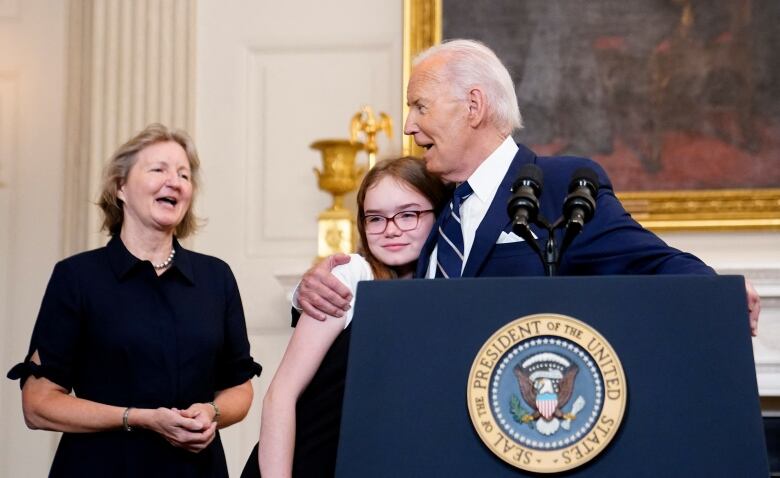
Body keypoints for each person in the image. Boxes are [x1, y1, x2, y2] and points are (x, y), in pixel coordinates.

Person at [295, 38, 761, 335]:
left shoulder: (561, 184)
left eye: (420, 106)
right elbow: (386, 287)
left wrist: (716, 292)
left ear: (473, 106)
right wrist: (312, 291)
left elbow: (649, 261)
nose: (410, 126)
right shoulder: (438, 206)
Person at [7, 123, 262, 477]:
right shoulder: (77, 278)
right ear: (120, 187)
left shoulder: (216, 278)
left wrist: (212, 412)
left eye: (184, 174)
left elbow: (238, 386)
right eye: (158, 169)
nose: (174, 181)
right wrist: (140, 419)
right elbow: (37, 405)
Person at [240, 156, 449, 478]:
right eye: (375, 218)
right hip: (303, 464)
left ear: (438, 214)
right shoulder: (350, 275)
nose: (391, 230)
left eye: (408, 215)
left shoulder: (445, 289)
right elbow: (281, 395)